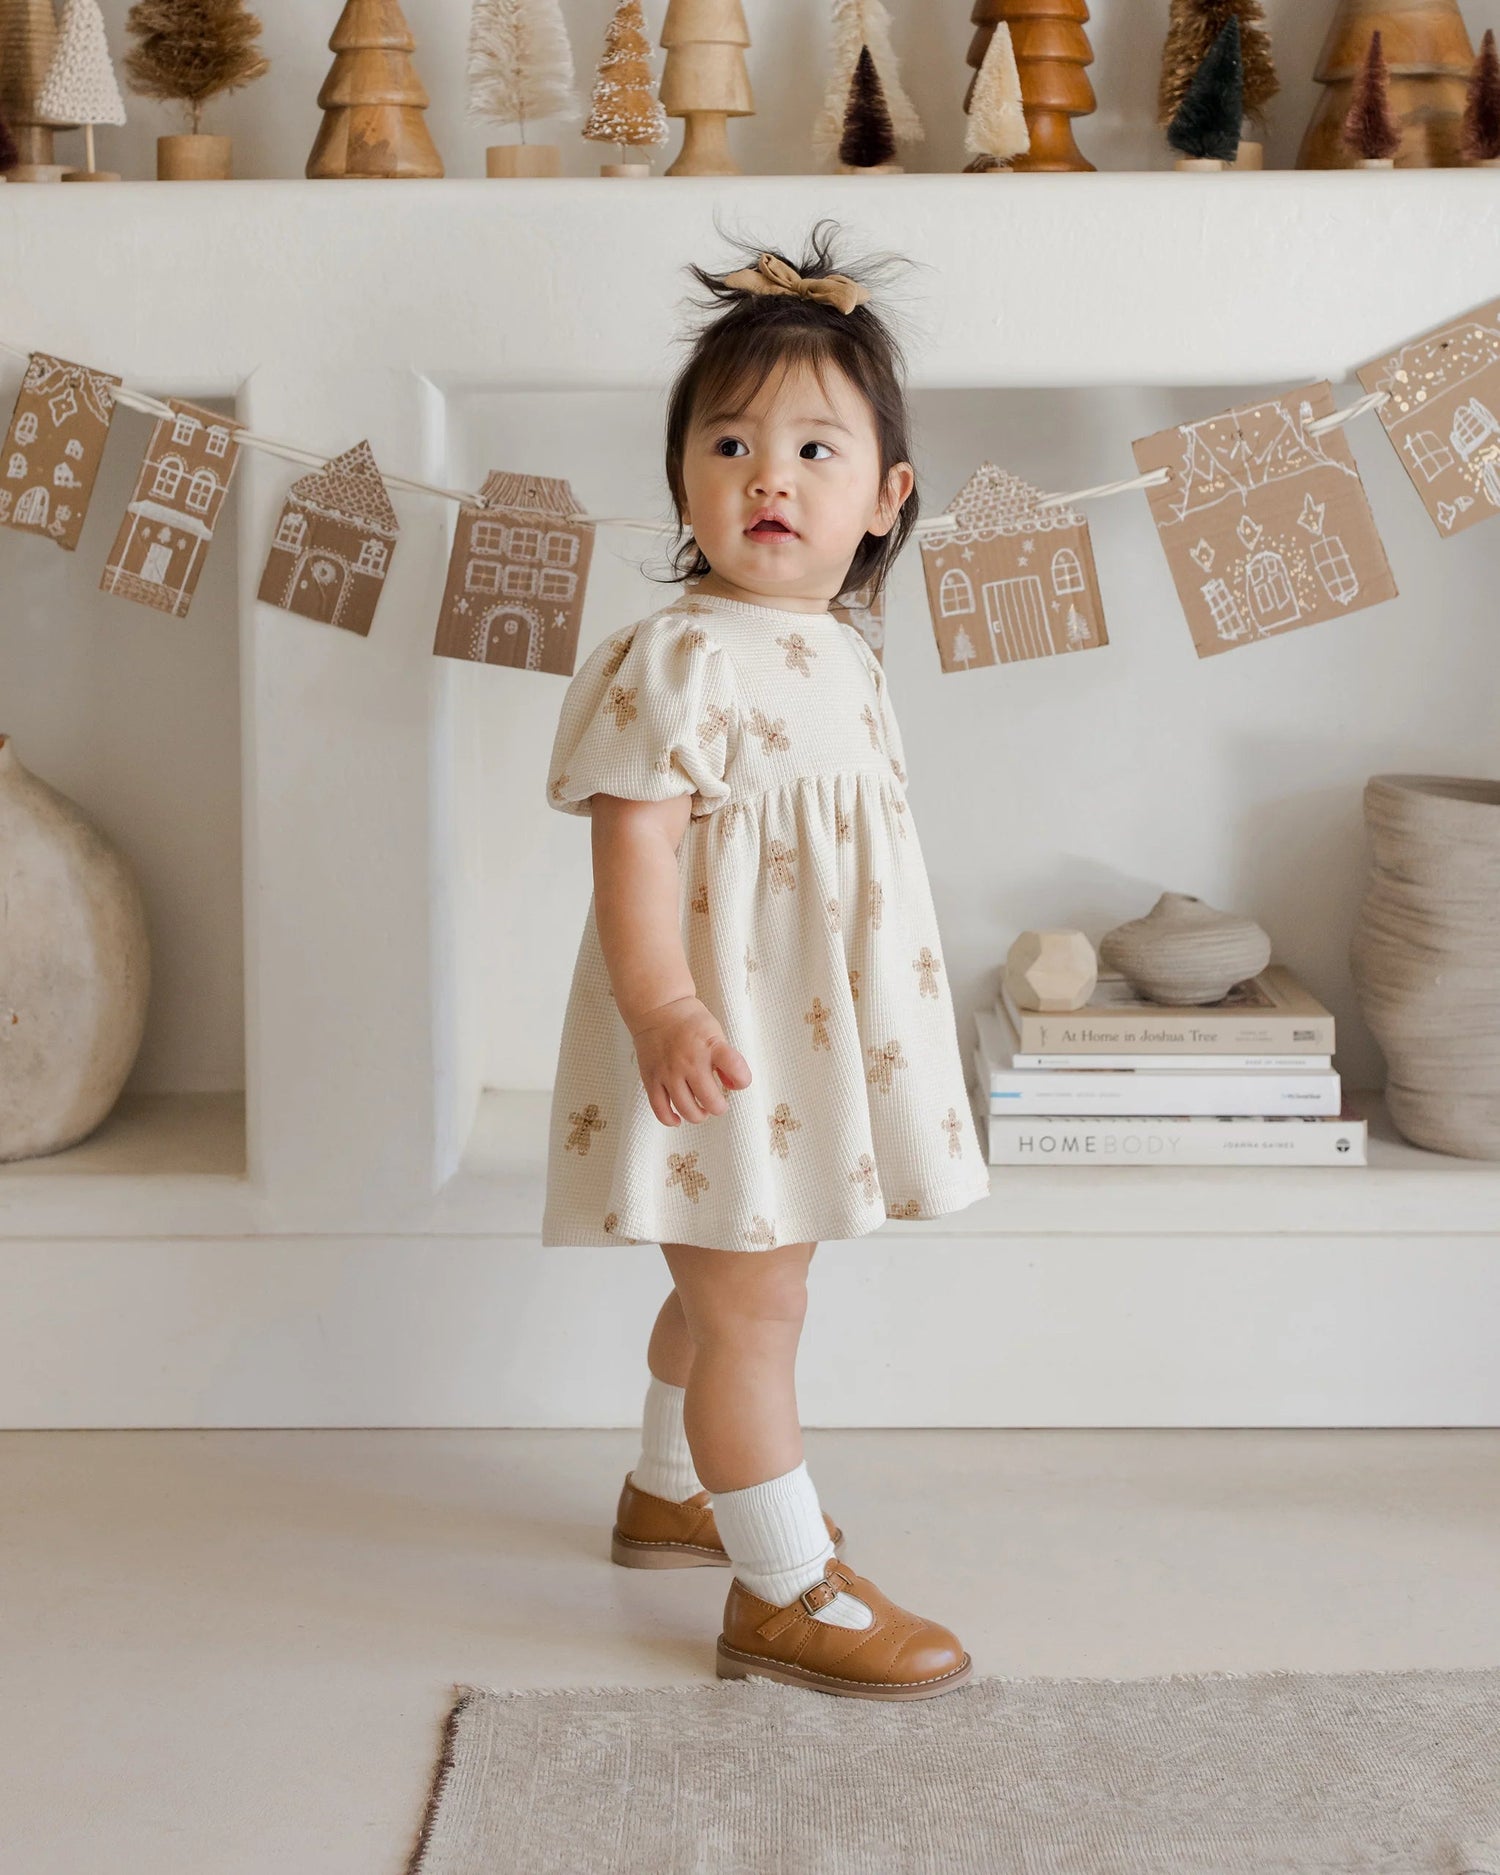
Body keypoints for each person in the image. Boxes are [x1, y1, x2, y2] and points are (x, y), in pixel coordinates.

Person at [541, 221, 989, 1701]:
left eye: (812, 450)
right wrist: (663, 1006)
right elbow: (635, 847)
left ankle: (671, 1490)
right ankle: (783, 1588)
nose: (767, 479)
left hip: (809, 1039)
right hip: (717, 1033)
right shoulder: (682, 655)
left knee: (735, 1277)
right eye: (728, 445)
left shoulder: (846, 649)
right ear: (683, 481)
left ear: (886, 497)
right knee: (754, 1306)